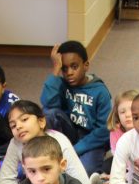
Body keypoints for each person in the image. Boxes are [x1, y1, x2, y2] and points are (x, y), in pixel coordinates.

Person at [40, 39, 113, 175]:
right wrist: (55, 70)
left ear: (86, 65)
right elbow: (48, 104)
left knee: (85, 171)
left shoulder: (100, 91)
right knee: (48, 113)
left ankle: (109, 163)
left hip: (93, 139)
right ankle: (52, 152)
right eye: (64, 68)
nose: (69, 73)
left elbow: (104, 130)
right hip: (71, 131)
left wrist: (75, 149)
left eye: (74, 67)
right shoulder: (61, 83)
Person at [94, 87, 139, 184]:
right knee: (105, 166)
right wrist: (120, 172)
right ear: (117, 115)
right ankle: (111, 181)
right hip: (124, 161)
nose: (127, 115)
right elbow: (116, 154)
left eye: (132, 110)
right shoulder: (115, 130)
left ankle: (113, 183)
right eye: (122, 112)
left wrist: (121, 176)